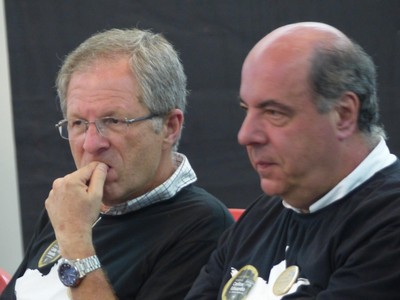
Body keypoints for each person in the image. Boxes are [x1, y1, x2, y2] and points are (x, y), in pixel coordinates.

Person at [1, 28, 234, 300]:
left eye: (113, 121)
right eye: (78, 123)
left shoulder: (202, 226)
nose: (91, 143)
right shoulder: (70, 203)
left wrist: (77, 242)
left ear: (170, 127)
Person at [185, 22, 400, 299]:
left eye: (274, 112)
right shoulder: (263, 214)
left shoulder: (388, 226)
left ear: (344, 114)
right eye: (245, 110)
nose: (246, 135)